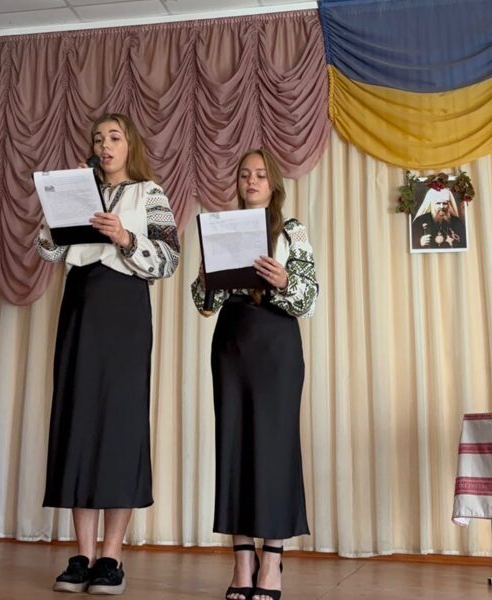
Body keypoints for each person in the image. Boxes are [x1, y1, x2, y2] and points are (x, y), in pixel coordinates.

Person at [35, 113, 180, 595]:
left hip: (125, 314)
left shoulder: (150, 193)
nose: (105, 145)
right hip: (80, 308)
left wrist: (125, 237)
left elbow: (170, 259)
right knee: (78, 422)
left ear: (130, 144)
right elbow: (48, 252)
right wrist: (61, 203)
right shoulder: (82, 191)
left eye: (114, 137)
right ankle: (82, 555)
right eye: (98, 138)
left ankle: (111, 558)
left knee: (120, 428)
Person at [191, 148, 319, 600]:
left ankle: (273, 560)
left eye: (261, 175)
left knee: (274, 449)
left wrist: (282, 281)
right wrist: (207, 277)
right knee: (235, 446)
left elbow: (309, 299)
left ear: (274, 184)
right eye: (245, 174)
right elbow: (203, 304)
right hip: (231, 344)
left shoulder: (291, 230)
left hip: (277, 345)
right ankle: (242, 561)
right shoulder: (222, 226)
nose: (251, 180)